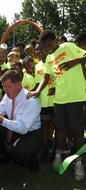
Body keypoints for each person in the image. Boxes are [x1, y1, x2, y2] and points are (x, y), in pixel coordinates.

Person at [27, 30, 86, 181]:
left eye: (49, 45)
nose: (47, 49)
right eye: (44, 47)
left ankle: (79, 162)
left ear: (56, 40)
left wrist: (76, 61)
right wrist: (37, 91)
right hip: (59, 99)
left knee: (77, 131)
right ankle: (59, 154)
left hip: (76, 97)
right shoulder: (49, 58)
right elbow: (46, 77)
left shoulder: (68, 46)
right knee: (60, 128)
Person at [0, 70, 42, 172]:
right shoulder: (8, 95)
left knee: (21, 154)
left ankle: (33, 160)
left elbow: (23, 128)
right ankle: (4, 154)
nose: (5, 90)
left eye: (8, 86)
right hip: (13, 127)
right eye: (4, 86)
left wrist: (2, 120)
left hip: (30, 132)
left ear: (19, 84)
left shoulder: (31, 100)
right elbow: (1, 110)